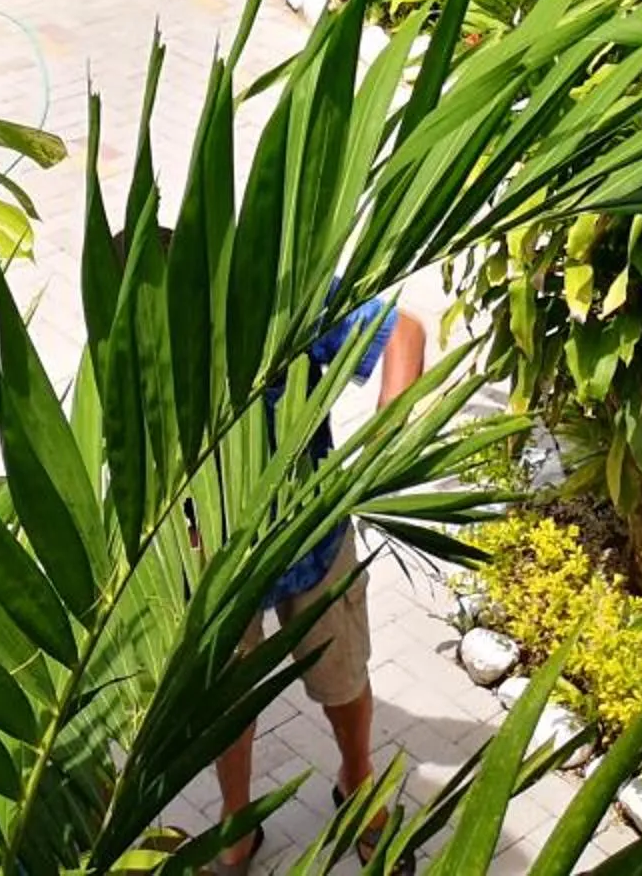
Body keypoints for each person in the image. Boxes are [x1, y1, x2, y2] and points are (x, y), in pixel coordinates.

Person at [215, 297, 428, 869]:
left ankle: (356, 782)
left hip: (314, 541)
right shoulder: (132, 350)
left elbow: (402, 332)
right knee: (227, 704)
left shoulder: (280, 293)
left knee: (342, 676)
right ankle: (237, 822)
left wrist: (381, 442)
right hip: (215, 568)